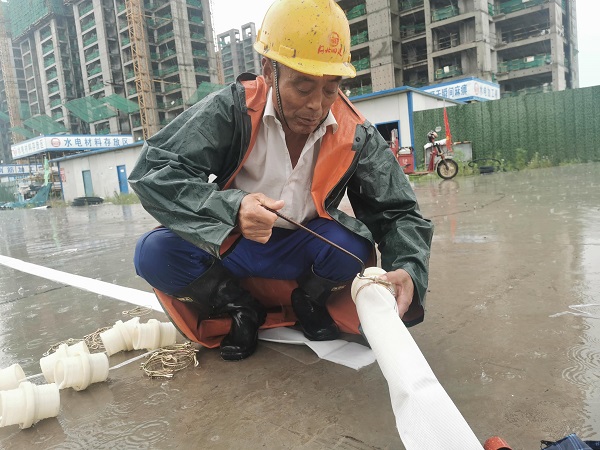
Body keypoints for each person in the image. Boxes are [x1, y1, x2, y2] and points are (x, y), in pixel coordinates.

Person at [128, 0, 433, 361]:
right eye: (303, 87)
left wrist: (408, 268)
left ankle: (310, 299)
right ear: (268, 71)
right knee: (155, 252)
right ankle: (240, 308)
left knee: (352, 249)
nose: (317, 106)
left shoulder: (354, 133)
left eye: (331, 89)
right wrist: (232, 208)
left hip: (304, 248)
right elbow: (153, 170)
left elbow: (398, 211)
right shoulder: (232, 109)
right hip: (231, 242)